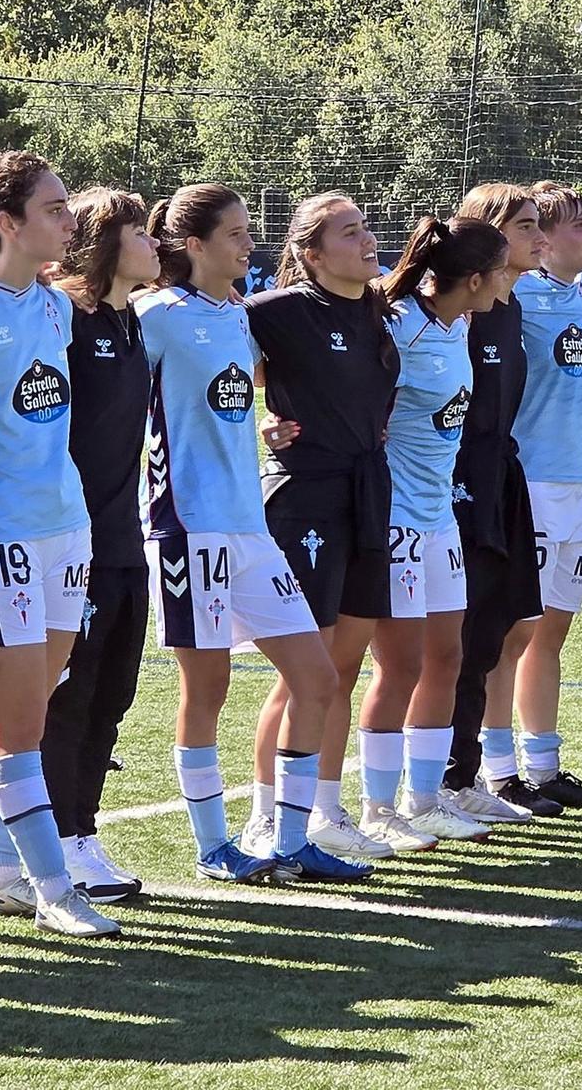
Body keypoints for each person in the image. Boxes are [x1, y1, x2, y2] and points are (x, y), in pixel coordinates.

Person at [138, 184, 369, 884]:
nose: (248, 245)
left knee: (317, 676)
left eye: (249, 232)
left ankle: (291, 840)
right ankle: (215, 848)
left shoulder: (238, 315)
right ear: (194, 245)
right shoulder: (157, 315)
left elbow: (228, 401)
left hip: (249, 525)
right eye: (235, 235)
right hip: (189, 529)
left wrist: (260, 429)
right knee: (206, 689)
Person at [0, 150, 117, 938]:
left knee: (30, 708)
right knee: (21, 725)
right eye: (53, 208)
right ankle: (54, 888)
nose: (69, 219)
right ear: (7, 224)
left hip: (63, 527)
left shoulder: (54, 306)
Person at [239, 194, 402, 862]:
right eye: (349, 231)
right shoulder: (278, 312)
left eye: (365, 227)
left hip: (367, 495)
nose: (367, 240)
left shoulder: (374, 309)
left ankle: (322, 812)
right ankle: (261, 817)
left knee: (341, 664)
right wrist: (258, 423)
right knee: (303, 670)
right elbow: (216, 371)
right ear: (310, 254)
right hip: (304, 496)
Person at [371, 214, 510, 843]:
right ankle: (378, 808)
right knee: (398, 667)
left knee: (446, 658)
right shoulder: (399, 327)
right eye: (504, 269)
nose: (512, 279)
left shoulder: (461, 326)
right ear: (475, 278)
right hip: (396, 519)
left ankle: (423, 799)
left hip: (438, 518)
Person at [43, 188, 160, 902]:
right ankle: (54, 842)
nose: (153, 243)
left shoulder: (129, 317)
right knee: (71, 695)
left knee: (113, 692)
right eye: (139, 231)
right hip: (69, 541)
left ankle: (83, 832)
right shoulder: (65, 314)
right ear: (103, 241)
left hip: (125, 537)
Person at [485, 181, 582, 812]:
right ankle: (496, 769)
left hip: (576, 484)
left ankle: (544, 764)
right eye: (579, 226)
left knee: (551, 633)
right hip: (527, 483)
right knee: (513, 632)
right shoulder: (512, 297)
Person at [441, 185, 555, 826]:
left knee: (496, 632)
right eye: (526, 226)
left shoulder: (509, 309)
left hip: (501, 479)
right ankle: (437, 783)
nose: (540, 238)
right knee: (457, 639)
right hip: (455, 487)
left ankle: (467, 774)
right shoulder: (463, 313)